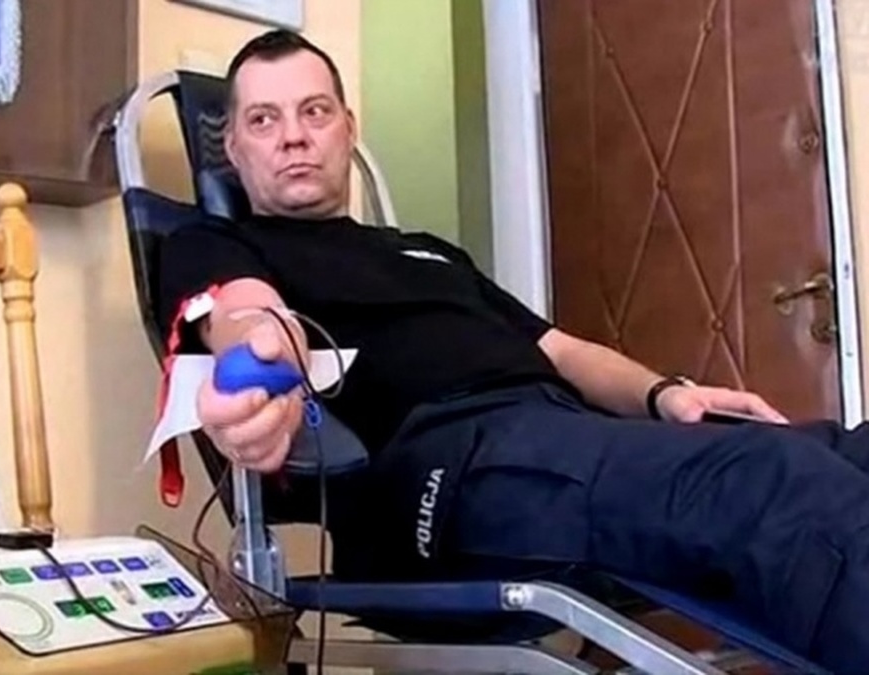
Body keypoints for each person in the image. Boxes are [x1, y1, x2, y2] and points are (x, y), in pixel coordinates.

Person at [154, 29, 869, 672]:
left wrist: (664, 394)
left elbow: (560, 349)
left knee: (849, 452)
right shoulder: (213, 242)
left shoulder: (429, 254)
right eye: (263, 119)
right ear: (234, 150)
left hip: (563, 434)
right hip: (448, 476)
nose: (293, 136)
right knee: (771, 484)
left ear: (348, 127)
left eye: (314, 111)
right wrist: (263, 363)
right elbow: (251, 317)